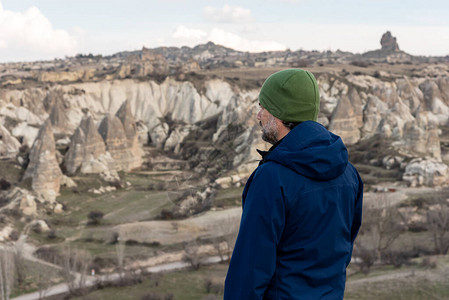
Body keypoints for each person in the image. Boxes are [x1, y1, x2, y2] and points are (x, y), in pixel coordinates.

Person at [224, 69, 363, 299]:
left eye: (263, 107)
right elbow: (344, 248)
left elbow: (249, 269)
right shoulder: (349, 172)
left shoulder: (271, 178)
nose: (259, 116)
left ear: (279, 113)